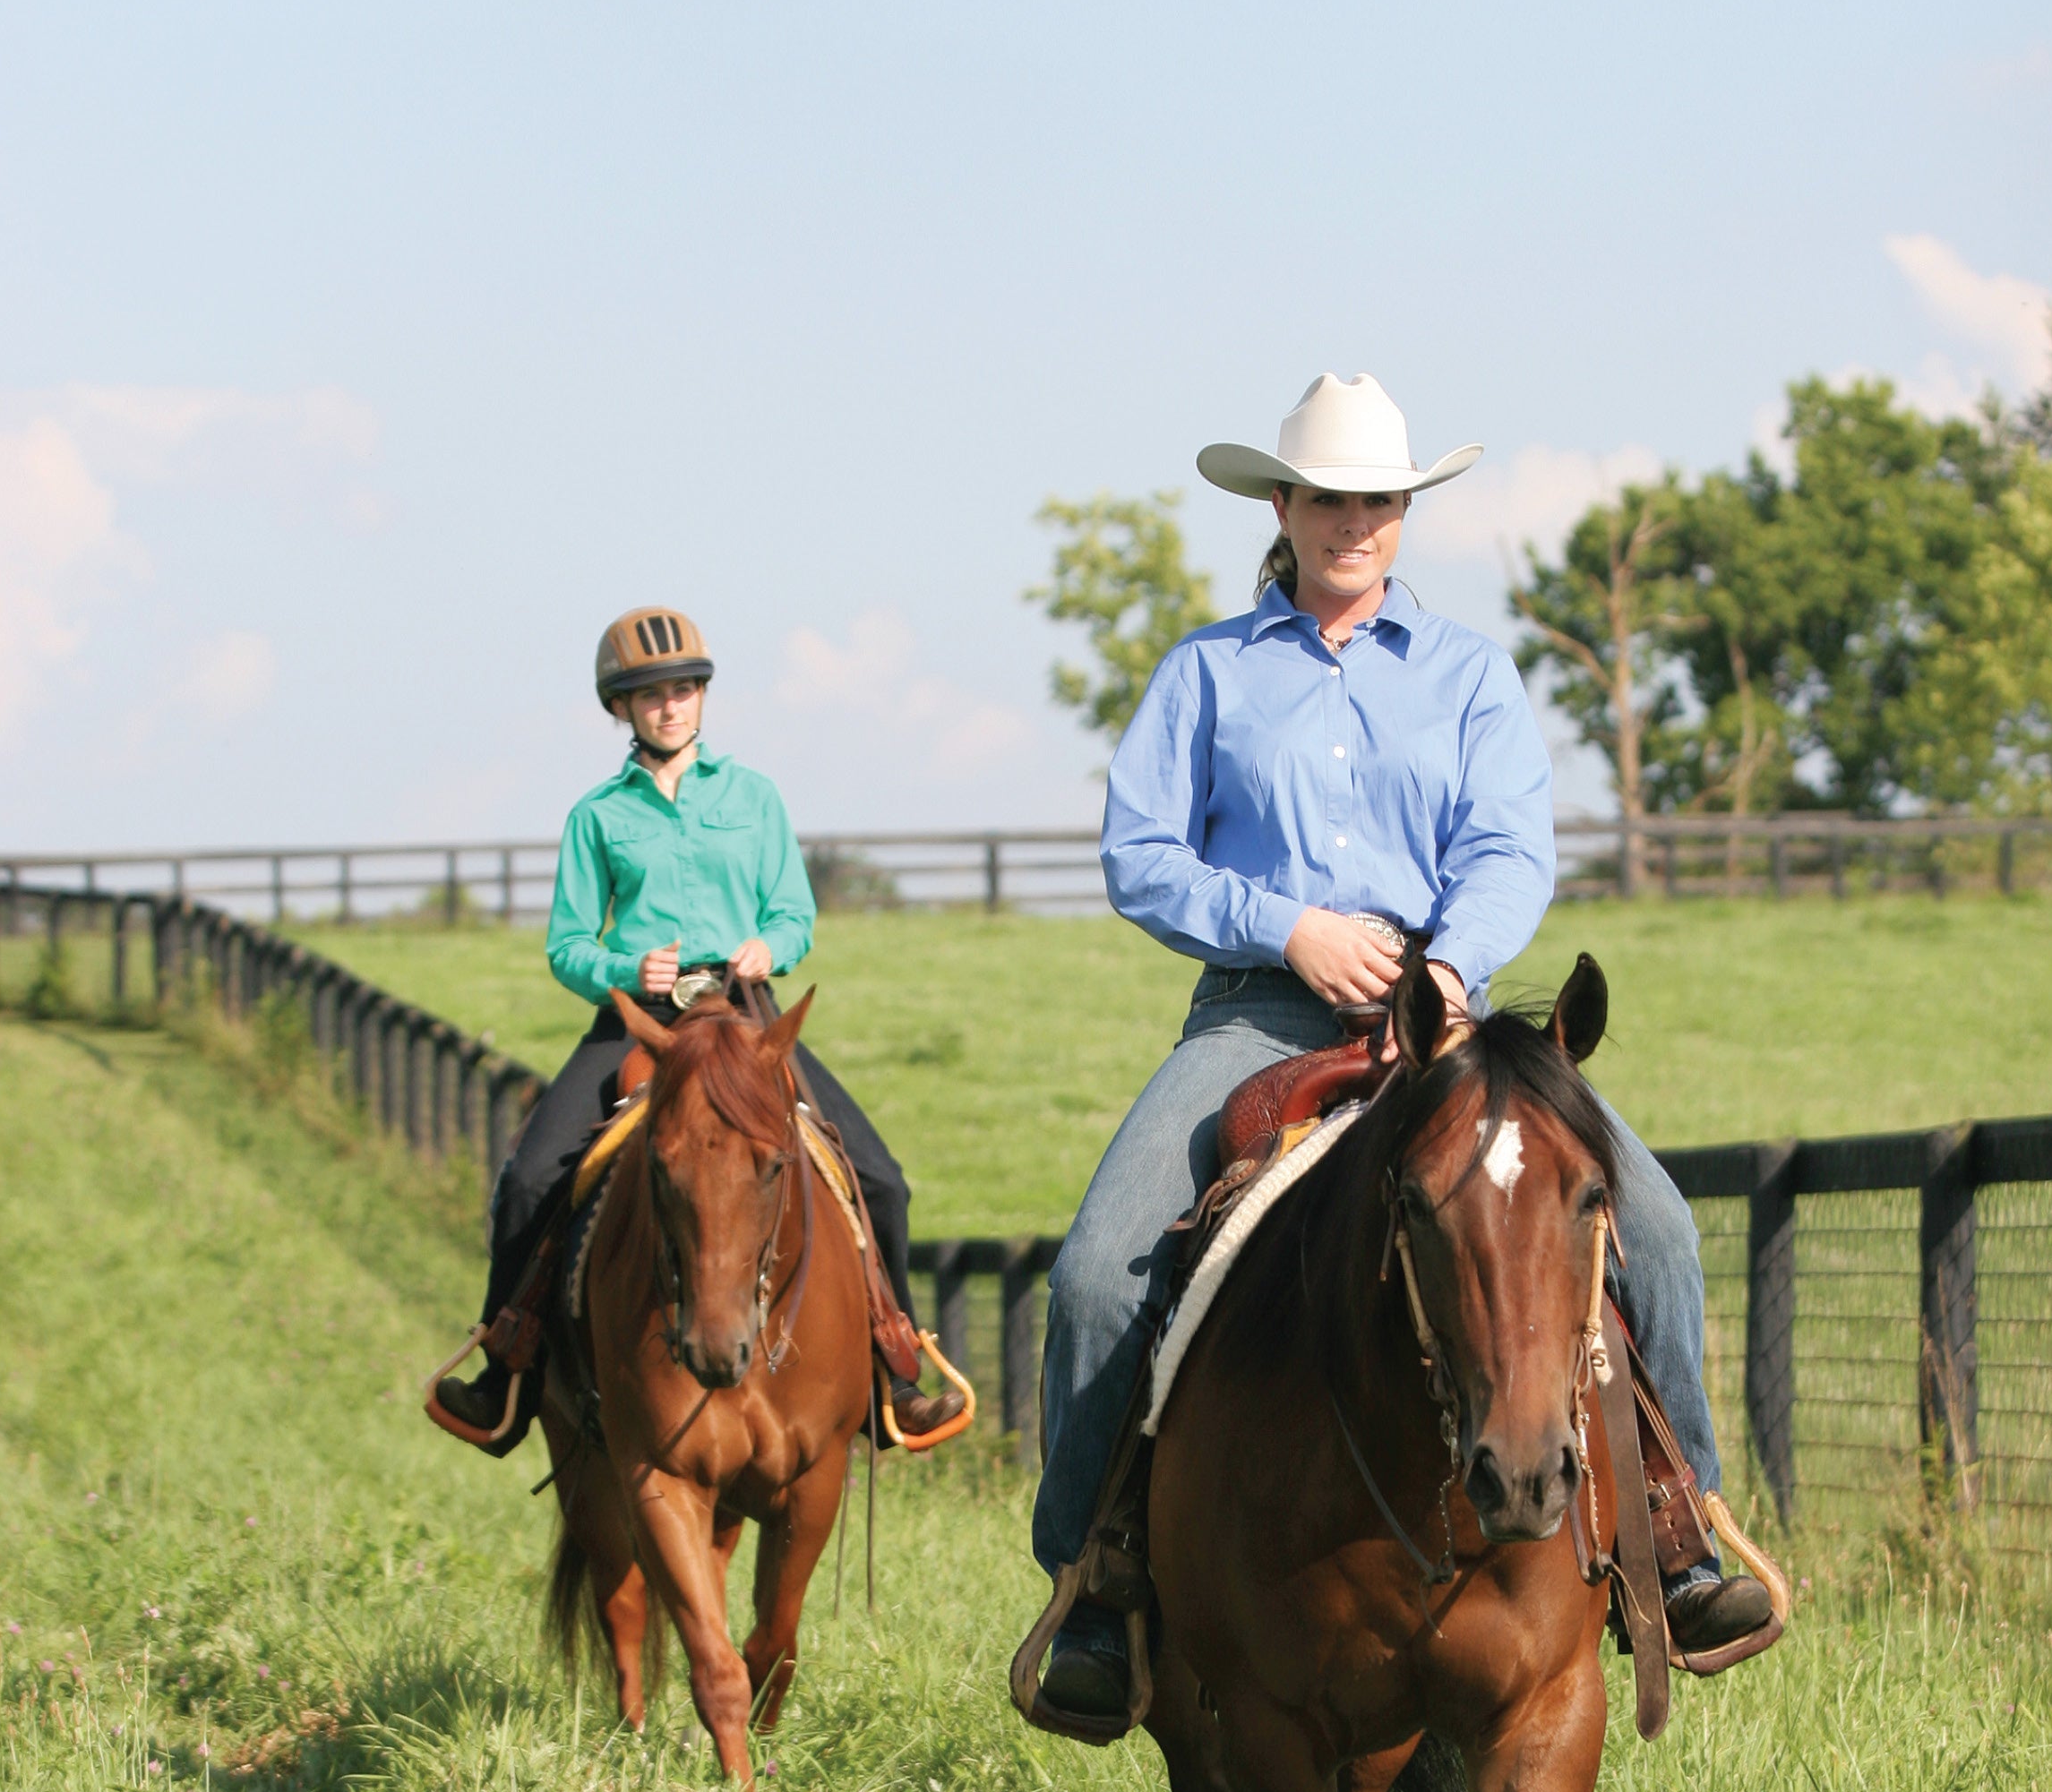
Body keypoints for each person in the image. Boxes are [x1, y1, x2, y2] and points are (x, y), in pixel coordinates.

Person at [1033, 374, 1771, 1723]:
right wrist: (1290, 926)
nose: (1354, 521)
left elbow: (1509, 846)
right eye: (1328, 496)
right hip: (1259, 1010)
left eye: (1379, 497)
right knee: (1093, 1276)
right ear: (1282, 505)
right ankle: (1093, 1581)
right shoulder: (1207, 670)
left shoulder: (1470, 674)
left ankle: (1677, 1527)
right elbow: (1140, 856)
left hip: (1447, 1020)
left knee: (1655, 1228)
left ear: (1404, 508)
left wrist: (1444, 963)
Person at [429, 606, 963, 1451]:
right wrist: (619, 969)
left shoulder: (753, 797)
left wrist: (770, 945)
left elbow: (795, 911)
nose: (670, 707)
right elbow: (567, 945)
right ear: (622, 709)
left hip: (743, 1014)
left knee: (882, 1178)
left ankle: (895, 1374)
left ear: (702, 698)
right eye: (649, 696)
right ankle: (507, 1373)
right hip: (639, 1021)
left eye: (683, 690)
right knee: (530, 1178)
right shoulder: (596, 815)